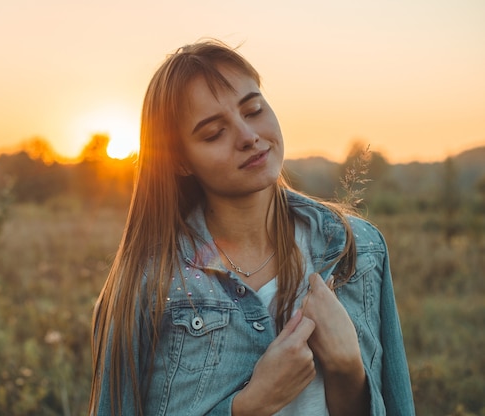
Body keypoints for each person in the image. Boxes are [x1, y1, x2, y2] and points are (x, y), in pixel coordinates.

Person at [89, 39, 415, 415]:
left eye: (254, 109)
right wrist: (249, 406)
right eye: (214, 133)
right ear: (180, 161)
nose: (248, 136)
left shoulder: (357, 248)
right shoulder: (148, 282)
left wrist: (347, 370)